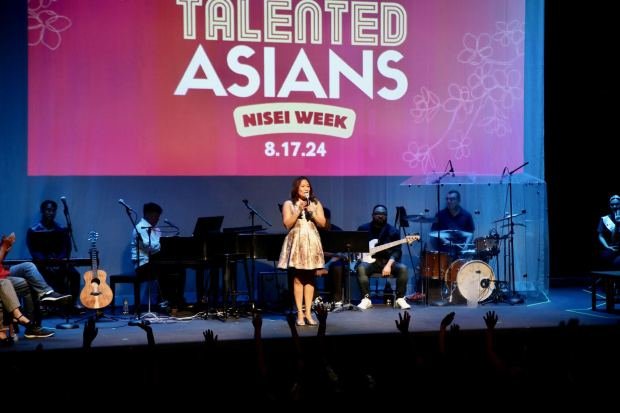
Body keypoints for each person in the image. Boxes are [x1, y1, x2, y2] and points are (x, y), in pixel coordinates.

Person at [277, 176, 326, 326]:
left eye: (308, 186)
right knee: (298, 278)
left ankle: (308, 313)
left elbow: (323, 224)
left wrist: (314, 213)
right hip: (297, 241)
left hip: (312, 241)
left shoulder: (316, 203)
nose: (306, 189)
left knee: (310, 278)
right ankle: (299, 313)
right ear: (296, 188)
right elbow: (287, 224)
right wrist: (298, 210)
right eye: (303, 186)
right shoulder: (289, 203)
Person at [131, 202, 187, 313]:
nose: (157, 219)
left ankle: (176, 300)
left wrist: (167, 243)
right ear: (147, 215)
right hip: (143, 265)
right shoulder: (139, 228)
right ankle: (164, 300)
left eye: (158, 217)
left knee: (180, 268)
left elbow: (159, 247)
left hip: (155, 262)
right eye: (155, 216)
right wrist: (165, 243)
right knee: (163, 269)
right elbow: (150, 247)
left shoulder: (156, 229)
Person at [26, 200, 82, 310]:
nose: (50, 213)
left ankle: (73, 302)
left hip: (59, 262)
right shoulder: (33, 230)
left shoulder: (61, 229)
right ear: (42, 211)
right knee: (36, 274)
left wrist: (58, 261)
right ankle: (39, 305)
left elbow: (65, 248)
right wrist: (47, 263)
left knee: (75, 274)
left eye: (53, 210)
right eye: (48, 210)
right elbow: (33, 250)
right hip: (42, 263)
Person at [356, 205, 411, 310]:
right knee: (361, 268)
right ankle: (366, 299)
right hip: (371, 262)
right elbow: (357, 245)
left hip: (388, 261)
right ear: (372, 215)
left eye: (383, 214)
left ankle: (400, 299)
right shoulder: (363, 229)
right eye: (377, 214)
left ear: (386, 216)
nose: (380, 216)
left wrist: (389, 265)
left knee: (403, 268)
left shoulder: (393, 231)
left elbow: (397, 251)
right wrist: (360, 254)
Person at [429, 190, 475, 258]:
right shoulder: (440, 215)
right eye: (447, 199)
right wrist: (445, 241)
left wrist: (467, 245)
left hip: (461, 251)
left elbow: (471, 233)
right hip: (444, 251)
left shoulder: (467, 215)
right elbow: (434, 232)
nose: (448, 201)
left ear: (458, 200)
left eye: (452, 199)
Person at [317, 207, 346, 308]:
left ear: (327, 219)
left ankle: (337, 299)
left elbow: (341, 253)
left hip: (333, 261)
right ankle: (315, 299)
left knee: (338, 265)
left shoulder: (337, 231)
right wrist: (332, 254)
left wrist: (328, 264)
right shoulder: (315, 231)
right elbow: (317, 252)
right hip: (317, 259)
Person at [597, 194, 620, 269]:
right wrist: (607, 246)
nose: (614, 206)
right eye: (612, 205)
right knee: (604, 256)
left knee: (617, 262)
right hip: (612, 247)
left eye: (617, 204)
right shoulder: (605, 219)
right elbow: (600, 235)